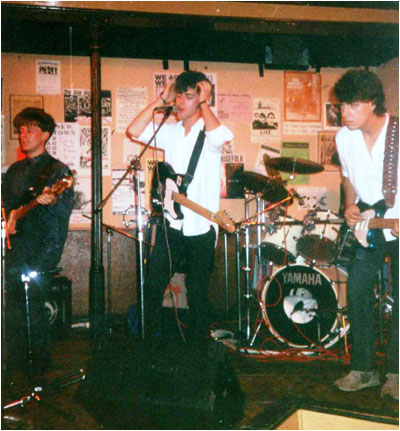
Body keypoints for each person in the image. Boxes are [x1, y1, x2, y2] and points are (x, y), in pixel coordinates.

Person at [126, 70, 233, 342]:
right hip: (171, 224)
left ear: (199, 100)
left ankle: (199, 349)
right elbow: (134, 130)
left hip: (201, 226)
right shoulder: (170, 132)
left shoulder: (208, 134)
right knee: (152, 285)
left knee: (197, 290)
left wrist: (206, 101)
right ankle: (148, 344)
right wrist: (160, 98)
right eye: (180, 96)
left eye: (189, 97)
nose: (181, 103)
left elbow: (221, 136)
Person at [333, 69, 399, 400]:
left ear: (373, 104)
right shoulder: (344, 137)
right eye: (343, 106)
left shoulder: (398, 132)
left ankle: (397, 374)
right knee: (357, 290)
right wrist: (348, 204)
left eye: (353, 106)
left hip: (398, 223)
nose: (345, 113)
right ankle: (364, 370)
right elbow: (347, 177)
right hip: (368, 227)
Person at [2, 107, 74, 376]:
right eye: (21, 130)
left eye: (31, 129)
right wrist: (8, 217)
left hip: (45, 244)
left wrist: (52, 200)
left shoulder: (57, 170)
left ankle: (40, 366)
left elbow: (64, 210)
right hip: (16, 244)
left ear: (45, 135)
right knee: (13, 302)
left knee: (33, 300)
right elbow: (7, 206)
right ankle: (17, 362)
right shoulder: (14, 171)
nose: (24, 134)